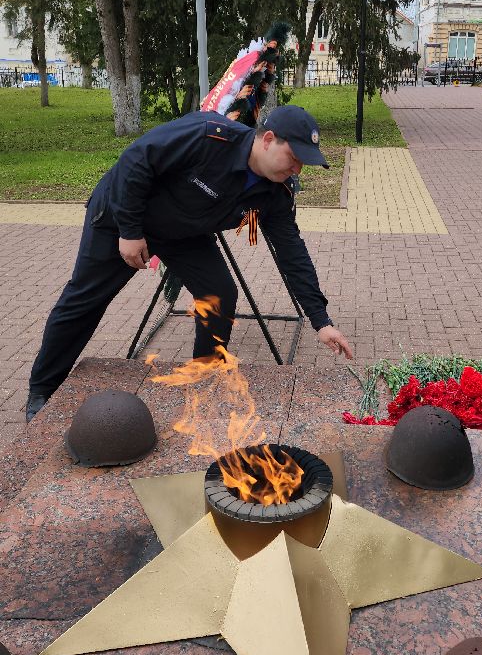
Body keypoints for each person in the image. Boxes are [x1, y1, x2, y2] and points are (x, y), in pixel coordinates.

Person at [26, 105, 354, 422]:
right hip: (123, 215)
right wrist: (129, 230)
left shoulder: (274, 193)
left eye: (303, 163)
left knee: (219, 293)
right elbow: (136, 160)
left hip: (182, 232)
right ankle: (43, 390)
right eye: (294, 157)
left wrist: (320, 320)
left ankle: (205, 379)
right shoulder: (207, 137)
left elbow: (291, 252)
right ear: (268, 140)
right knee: (85, 299)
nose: (297, 169)